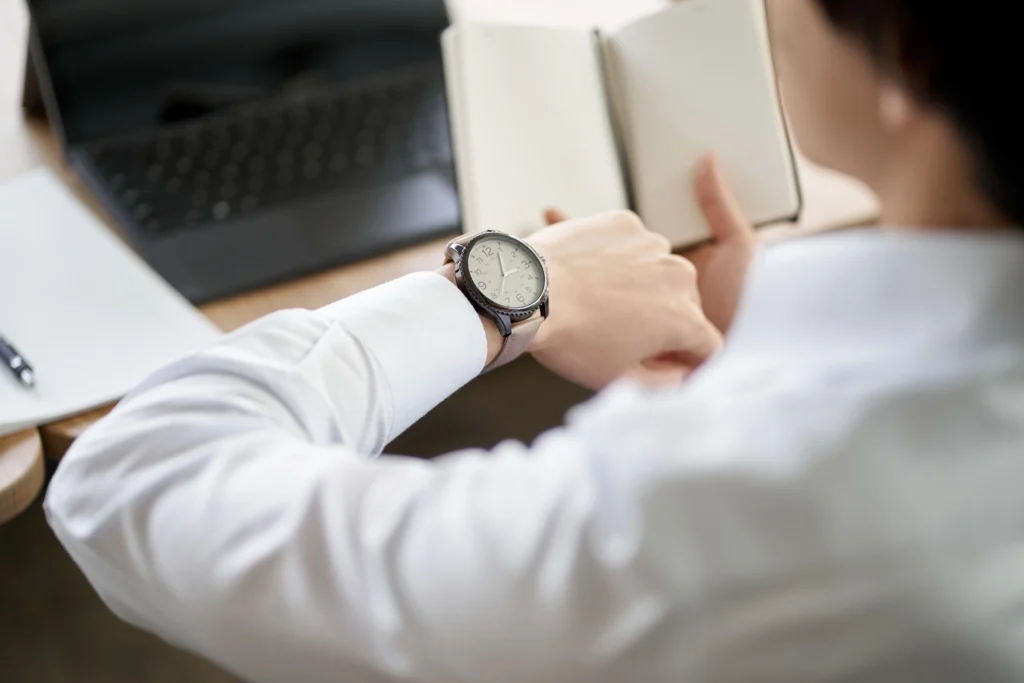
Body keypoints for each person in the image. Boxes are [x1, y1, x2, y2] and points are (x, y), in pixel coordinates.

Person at [45, 0, 1024, 681]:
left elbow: (133, 476)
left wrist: (499, 287)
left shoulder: (732, 517)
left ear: (904, 49)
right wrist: (743, 369)